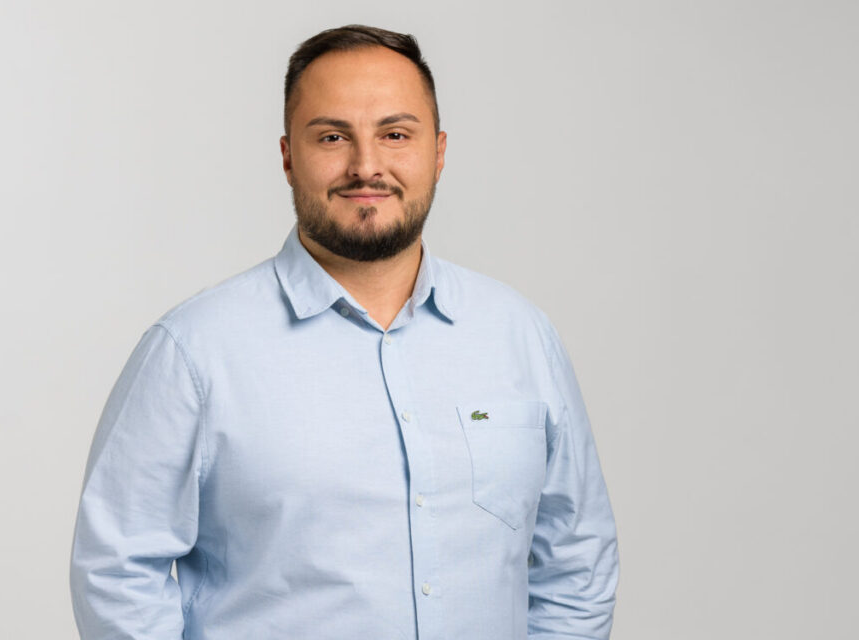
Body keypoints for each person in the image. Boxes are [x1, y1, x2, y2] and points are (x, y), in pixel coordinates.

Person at [70, 24, 619, 640]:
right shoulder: (193, 352)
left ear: (438, 152)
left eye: (395, 134)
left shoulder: (520, 336)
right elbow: (117, 574)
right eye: (332, 136)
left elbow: (577, 561)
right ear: (288, 157)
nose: (366, 166)